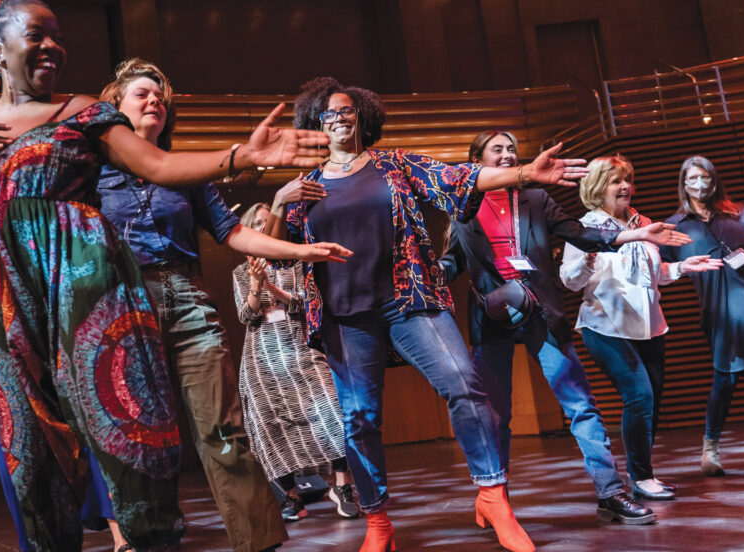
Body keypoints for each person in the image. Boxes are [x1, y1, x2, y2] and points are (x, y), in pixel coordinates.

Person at [0, 0, 341, 550]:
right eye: (36, 35)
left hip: (88, 287)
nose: (53, 47)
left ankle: (155, 540)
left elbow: (158, 166)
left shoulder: (83, 111)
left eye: (58, 38)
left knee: (128, 428)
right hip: (8, 299)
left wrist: (242, 157)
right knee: (29, 442)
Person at [265, 77, 597, 552]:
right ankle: (378, 521)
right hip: (345, 315)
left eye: (346, 110)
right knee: (359, 417)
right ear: (315, 125)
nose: (338, 119)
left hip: (409, 300)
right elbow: (279, 255)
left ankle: (493, 496)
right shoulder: (308, 187)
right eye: (327, 114)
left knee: (464, 382)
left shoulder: (394, 165)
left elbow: (459, 179)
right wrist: (279, 202)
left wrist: (523, 174)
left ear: (361, 116)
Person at [95, 57, 356, 552]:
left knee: (223, 428)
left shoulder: (190, 173)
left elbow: (234, 233)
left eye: (160, 98)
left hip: (188, 301)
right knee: (137, 436)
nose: (154, 103)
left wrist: (300, 250)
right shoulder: (92, 176)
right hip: (122, 308)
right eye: (142, 95)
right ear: (114, 107)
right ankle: (139, 540)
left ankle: (258, 542)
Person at [440, 132, 691, 527]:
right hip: (492, 319)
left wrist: (635, 234)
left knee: (581, 407)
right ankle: (496, 500)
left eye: (512, 149)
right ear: (477, 158)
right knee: (496, 416)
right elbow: (452, 261)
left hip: (542, 313)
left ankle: (611, 494)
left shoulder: (536, 199)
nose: (507, 155)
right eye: (497, 149)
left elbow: (583, 233)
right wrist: (426, 274)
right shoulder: (464, 205)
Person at [559, 155, 721, 500]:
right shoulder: (585, 228)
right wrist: (588, 257)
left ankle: (641, 474)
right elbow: (569, 281)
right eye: (616, 180)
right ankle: (642, 478)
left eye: (628, 179)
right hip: (605, 326)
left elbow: (651, 274)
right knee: (639, 396)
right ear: (597, 187)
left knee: (651, 402)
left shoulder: (644, 222)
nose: (625, 186)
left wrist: (682, 268)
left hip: (650, 326)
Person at [232, 202, 359, 523]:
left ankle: (342, 486)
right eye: (257, 225)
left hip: (302, 348)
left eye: (267, 222)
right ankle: (289, 495)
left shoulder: (298, 264)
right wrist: (257, 285)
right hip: (262, 358)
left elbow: (310, 304)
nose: (264, 229)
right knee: (271, 424)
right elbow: (246, 317)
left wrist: (273, 286)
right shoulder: (241, 273)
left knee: (332, 412)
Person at [660, 155, 744, 476]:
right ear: (683, 184)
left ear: (714, 179)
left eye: (705, 177)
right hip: (721, 315)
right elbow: (657, 268)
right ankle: (711, 446)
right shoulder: (675, 227)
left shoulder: (739, 214)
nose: (699, 184)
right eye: (692, 179)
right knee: (725, 380)